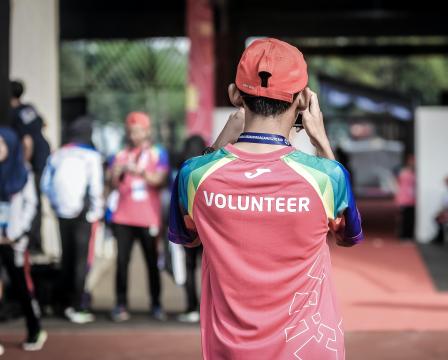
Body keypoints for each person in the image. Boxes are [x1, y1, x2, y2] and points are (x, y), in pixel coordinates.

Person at [169, 38, 363, 359]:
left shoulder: (194, 175)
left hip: (229, 351)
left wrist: (218, 146)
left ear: (234, 95)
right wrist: (321, 141)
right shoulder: (327, 177)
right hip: (307, 350)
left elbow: (187, 239)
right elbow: (348, 236)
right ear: (303, 100)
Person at [41, 116, 103, 324]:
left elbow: (45, 185)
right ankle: (77, 306)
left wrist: (56, 206)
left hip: (62, 215)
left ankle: (63, 304)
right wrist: (95, 212)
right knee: (80, 261)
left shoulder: (58, 154)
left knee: (66, 258)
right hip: (83, 216)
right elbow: (96, 187)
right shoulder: (91, 156)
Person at [108, 112, 169, 322]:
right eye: (131, 131)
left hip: (148, 217)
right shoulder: (119, 155)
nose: (134, 135)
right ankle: (121, 303)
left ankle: (156, 303)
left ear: (147, 131)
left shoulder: (156, 153)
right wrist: (116, 173)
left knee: (152, 262)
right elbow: (111, 183)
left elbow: (160, 180)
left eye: (138, 131)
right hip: (122, 217)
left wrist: (140, 171)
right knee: (122, 262)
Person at [0, 127, 47, 351]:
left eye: (1, 144)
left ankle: (35, 329)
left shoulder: (23, 172)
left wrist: (18, 233)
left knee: (21, 286)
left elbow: (31, 205)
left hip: (15, 241)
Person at [9, 80, 51, 254]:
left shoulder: (14, 113)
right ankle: (36, 242)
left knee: (31, 202)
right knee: (37, 202)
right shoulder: (28, 108)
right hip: (44, 157)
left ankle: (33, 243)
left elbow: (27, 142)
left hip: (34, 161)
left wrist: (24, 165)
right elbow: (44, 123)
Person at [175, 135, 206, 323]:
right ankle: (208, 307)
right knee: (210, 269)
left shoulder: (184, 169)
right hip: (207, 229)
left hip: (188, 226)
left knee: (189, 267)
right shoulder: (208, 169)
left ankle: (190, 307)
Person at [395, 154, 416, 240]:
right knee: (404, 218)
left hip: (411, 199)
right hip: (404, 199)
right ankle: (403, 235)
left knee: (410, 218)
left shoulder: (413, 173)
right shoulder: (404, 173)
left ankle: (408, 235)